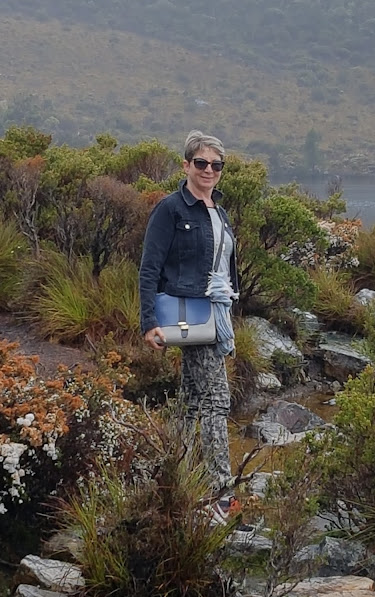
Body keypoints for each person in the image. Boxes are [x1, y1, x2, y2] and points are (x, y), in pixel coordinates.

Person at [139, 129, 239, 505]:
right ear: (186, 165)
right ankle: (220, 492)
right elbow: (149, 268)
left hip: (216, 315)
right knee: (216, 400)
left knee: (193, 401)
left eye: (216, 164)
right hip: (188, 317)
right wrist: (149, 322)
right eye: (201, 163)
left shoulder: (221, 212)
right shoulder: (171, 208)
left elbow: (227, 269)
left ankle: (174, 476)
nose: (209, 170)